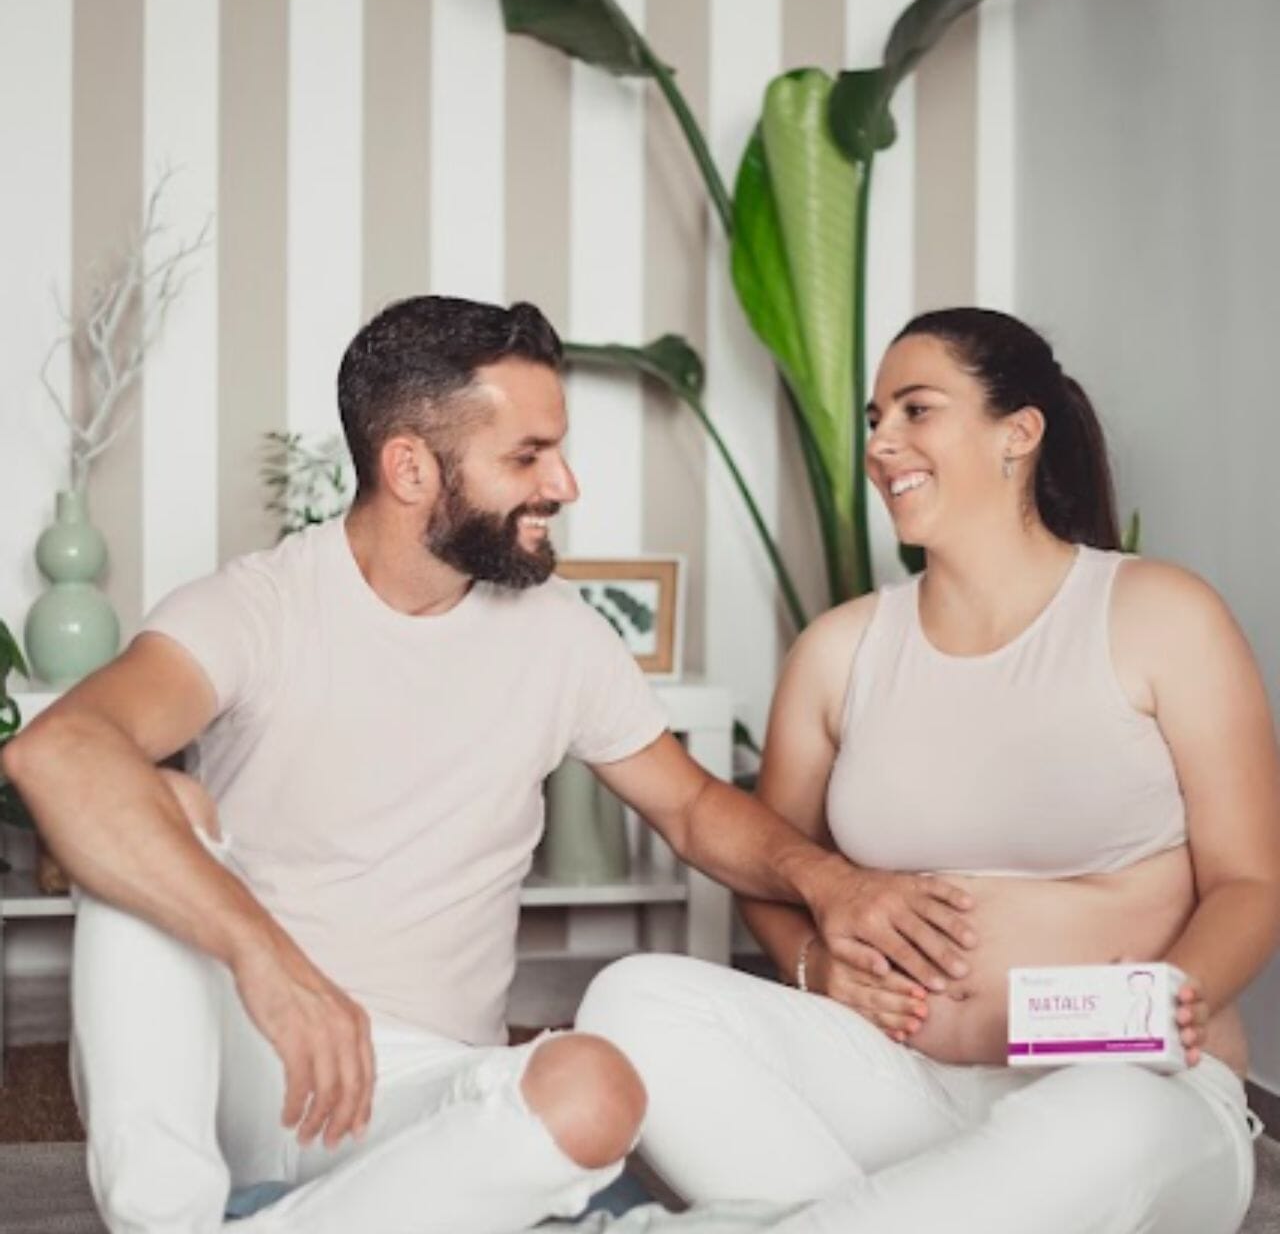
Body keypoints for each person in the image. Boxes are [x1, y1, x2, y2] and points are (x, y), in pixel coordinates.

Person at [1, 296, 953, 1234]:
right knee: (145, 796)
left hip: (420, 1090)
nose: (565, 484)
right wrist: (270, 961)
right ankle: (165, 1219)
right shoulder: (259, 607)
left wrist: (832, 884)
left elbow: (696, 808)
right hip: (241, 1062)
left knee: (593, 1089)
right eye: (528, 456)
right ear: (411, 468)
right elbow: (57, 753)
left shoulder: (559, 636)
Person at [577, 307, 1280, 1234]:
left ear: (1018, 433)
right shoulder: (840, 650)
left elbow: (1251, 881)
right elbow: (773, 865)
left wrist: (1165, 1001)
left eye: (916, 410)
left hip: (1129, 1096)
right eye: (876, 420)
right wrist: (815, 964)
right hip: (894, 1093)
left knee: (1095, 1124)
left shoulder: (1161, 613)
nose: (882, 444)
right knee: (633, 997)